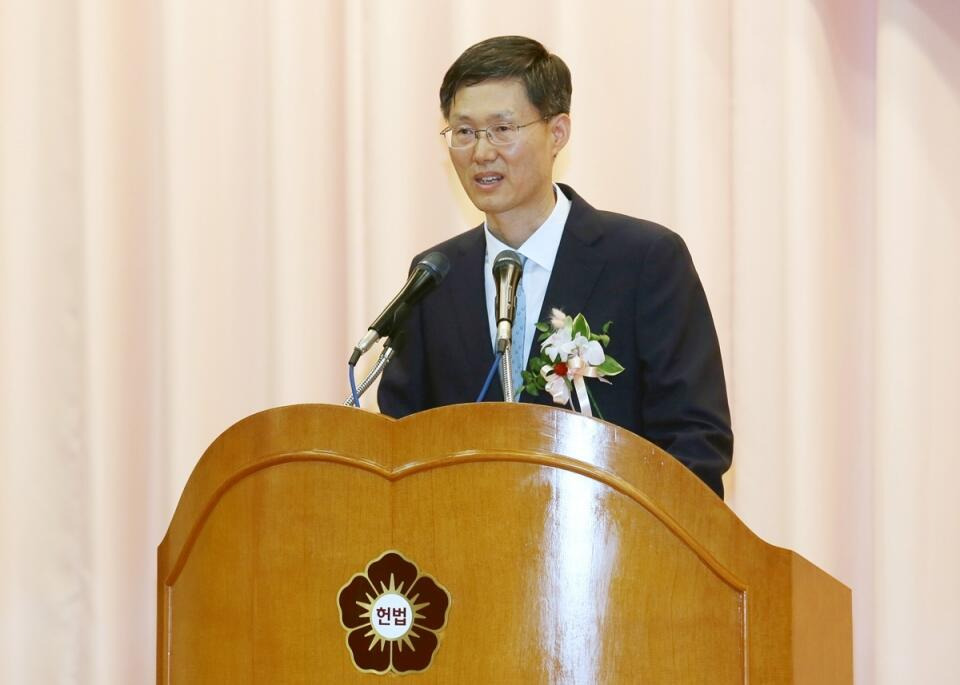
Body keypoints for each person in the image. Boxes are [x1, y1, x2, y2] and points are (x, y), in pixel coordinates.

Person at [377, 36, 733, 498]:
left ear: (558, 132)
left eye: (502, 128)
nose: (481, 152)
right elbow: (399, 442)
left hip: (612, 538)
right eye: (463, 132)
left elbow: (696, 442)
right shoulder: (436, 276)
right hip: (462, 537)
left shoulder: (645, 260)